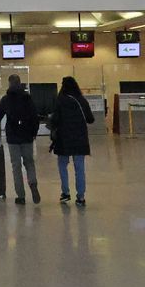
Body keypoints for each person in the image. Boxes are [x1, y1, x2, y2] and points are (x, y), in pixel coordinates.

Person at [0, 74, 42, 205]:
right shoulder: (27, 98)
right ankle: (32, 183)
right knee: (29, 163)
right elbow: (35, 117)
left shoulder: (6, 99)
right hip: (27, 136)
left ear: (9, 84)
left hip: (13, 137)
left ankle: (21, 196)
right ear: (20, 83)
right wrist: (34, 133)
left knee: (16, 166)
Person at [48, 76, 95, 207]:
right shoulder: (81, 100)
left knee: (63, 166)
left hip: (63, 139)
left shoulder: (60, 100)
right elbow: (90, 119)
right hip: (80, 138)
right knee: (79, 168)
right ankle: (80, 197)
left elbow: (55, 120)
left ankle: (65, 193)